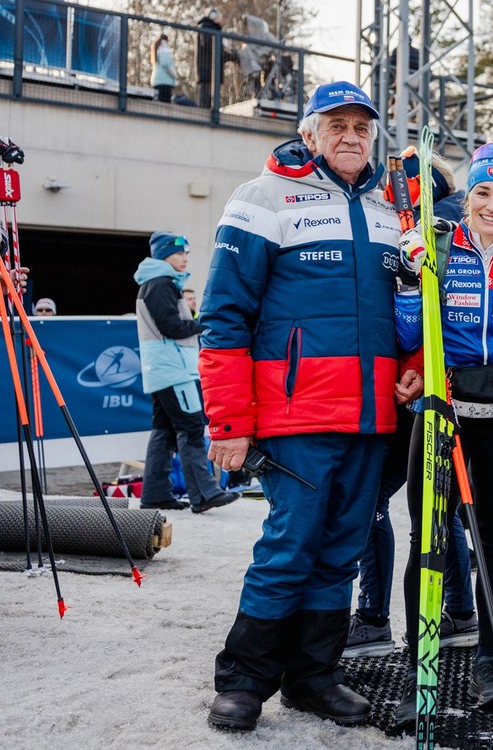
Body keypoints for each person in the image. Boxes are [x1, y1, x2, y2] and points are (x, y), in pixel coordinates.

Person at [200, 81, 421, 732]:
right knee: (289, 544)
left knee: (343, 548)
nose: (351, 136)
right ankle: (243, 680)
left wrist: (410, 371)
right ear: (310, 131)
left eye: (362, 126)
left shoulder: (393, 209)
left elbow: (410, 311)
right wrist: (230, 422)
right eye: (337, 125)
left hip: (371, 415)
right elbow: (223, 316)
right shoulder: (263, 196)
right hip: (295, 415)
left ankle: (314, 676)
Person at [391, 140, 493, 718]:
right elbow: (411, 336)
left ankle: (489, 658)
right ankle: (421, 656)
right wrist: (413, 280)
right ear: (468, 198)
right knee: (427, 537)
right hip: (442, 413)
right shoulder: (437, 246)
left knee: (492, 542)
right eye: (483, 192)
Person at [344, 153, 479, 663]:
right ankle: (459, 612)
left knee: (375, 497)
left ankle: (374, 616)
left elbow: (434, 311)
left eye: (397, 181)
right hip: (412, 383)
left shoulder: (434, 228)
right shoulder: (421, 225)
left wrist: (418, 366)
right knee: (434, 503)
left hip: (416, 389)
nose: (385, 189)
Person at [134, 232, 238, 514]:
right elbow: (172, 327)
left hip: (164, 369)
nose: (185, 258)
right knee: (191, 427)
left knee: (164, 432)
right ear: (164, 255)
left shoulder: (156, 283)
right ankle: (204, 494)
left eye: (187, 254)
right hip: (174, 370)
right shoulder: (160, 284)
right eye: (180, 253)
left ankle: (155, 495)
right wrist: (203, 323)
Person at [196, 7, 223, 108]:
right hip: (207, 71)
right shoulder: (206, 28)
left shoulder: (213, 29)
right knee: (205, 99)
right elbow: (211, 46)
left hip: (212, 72)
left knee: (213, 99)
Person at [152, 34, 177, 103]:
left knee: (159, 103)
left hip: (157, 81)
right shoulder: (164, 47)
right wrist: (174, 75)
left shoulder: (157, 47)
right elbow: (166, 63)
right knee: (165, 104)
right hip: (165, 81)